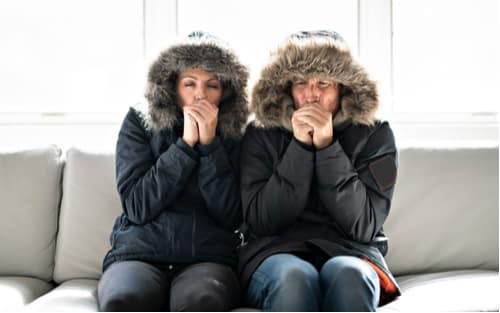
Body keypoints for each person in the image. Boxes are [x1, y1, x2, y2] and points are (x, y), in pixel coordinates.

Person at [238, 30, 401, 311]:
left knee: (350, 275)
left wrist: (327, 147)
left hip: (352, 250)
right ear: (286, 88)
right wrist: (300, 147)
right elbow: (262, 222)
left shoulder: (376, 135)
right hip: (275, 251)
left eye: (323, 82)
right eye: (301, 82)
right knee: (295, 278)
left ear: (343, 88)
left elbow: (363, 226)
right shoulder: (260, 134)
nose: (312, 94)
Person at [98, 31, 249, 311]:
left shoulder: (238, 134)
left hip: (208, 257)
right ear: (172, 87)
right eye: (189, 83)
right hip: (139, 253)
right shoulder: (139, 122)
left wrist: (210, 145)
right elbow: (137, 206)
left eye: (211, 85)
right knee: (124, 300)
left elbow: (232, 215)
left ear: (226, 92)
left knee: (201, 301)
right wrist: (185, 145)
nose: (200, 94)